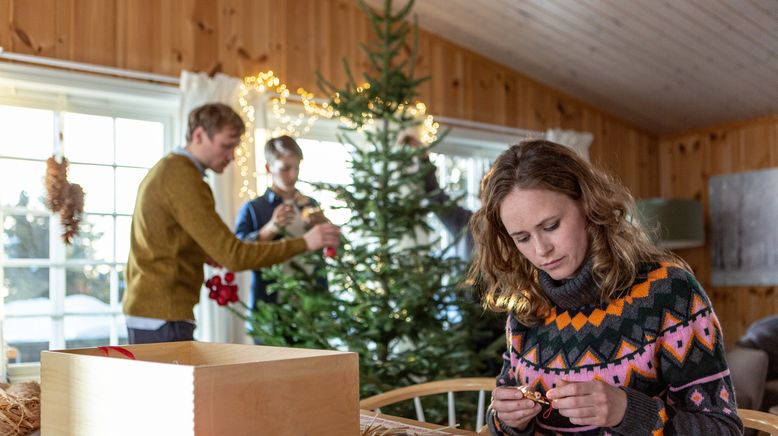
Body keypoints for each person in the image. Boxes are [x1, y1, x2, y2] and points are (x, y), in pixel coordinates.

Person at [468, 140, 742, 435]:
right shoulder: (527, 304)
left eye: (550, 226)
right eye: (522, 238)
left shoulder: (669, 293)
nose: (541, 249)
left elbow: (723, 429)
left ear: (587, 204)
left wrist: (627, 411)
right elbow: (501, 422)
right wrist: (506, 419)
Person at [123, 104, 340, 344]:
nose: (232, 156)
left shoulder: (172, 171)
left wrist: (207, 251)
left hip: (158, 310)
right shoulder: (182, 178)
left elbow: (169, 237)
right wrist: (305, 242)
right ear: (198, 135)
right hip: (163, 314)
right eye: (226, 146)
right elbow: (235, 256)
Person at [234, 135, 329, 310]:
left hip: (313, 304)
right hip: (270, 308)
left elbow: (333, 249)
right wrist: (271, 228)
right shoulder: (253, 208)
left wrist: (323, 225)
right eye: (285, 168)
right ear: (268, 167)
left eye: (297, 168)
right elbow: (237, 253)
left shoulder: (311, 205)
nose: (293, 175)